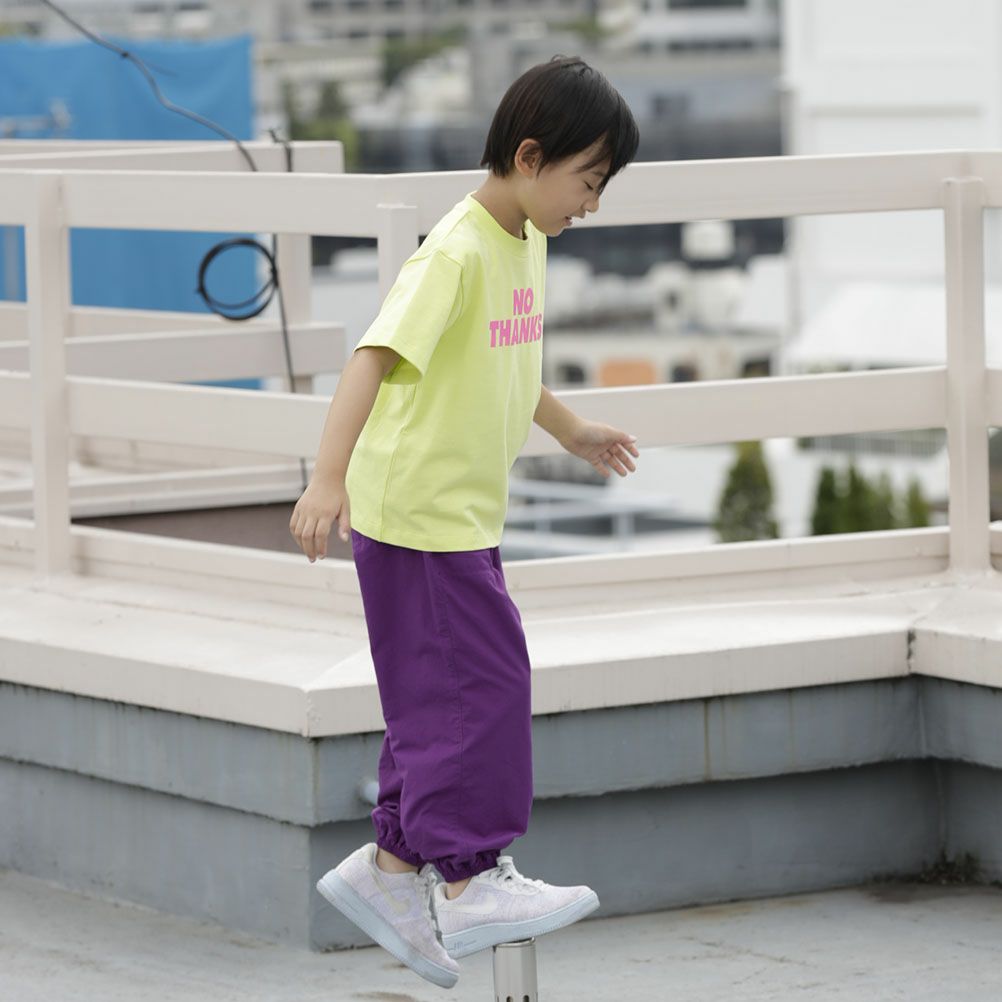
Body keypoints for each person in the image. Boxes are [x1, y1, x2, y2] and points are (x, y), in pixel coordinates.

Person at [291, 54, 641, 989]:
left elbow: (510, 362)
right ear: (530, 157)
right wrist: (326, 478)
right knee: (481, 688)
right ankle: (470, 878)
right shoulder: (455, 250)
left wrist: (571, 430)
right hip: (416, 515)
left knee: (436, 694)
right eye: (588, 181)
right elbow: (372, 358)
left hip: (458, 515)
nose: (592, 204)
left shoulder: (522, 239)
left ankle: (392, 868)